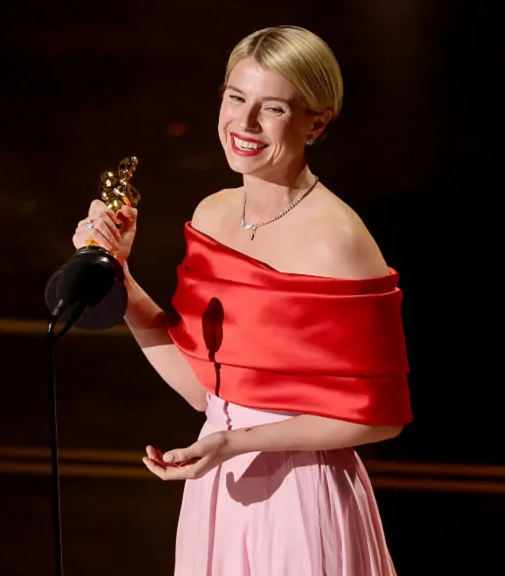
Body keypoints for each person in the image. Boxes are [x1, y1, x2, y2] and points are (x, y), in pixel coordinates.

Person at [71, 25, 411, 575]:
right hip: (220, 484)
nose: (245, 124)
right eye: (236, 98)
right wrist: (120, 278)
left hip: (301, 496)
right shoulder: (213, 214)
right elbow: (202, 390)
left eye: (272, 108)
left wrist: (237, 442)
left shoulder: (337, 240)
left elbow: (381, 418)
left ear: (317, 122)